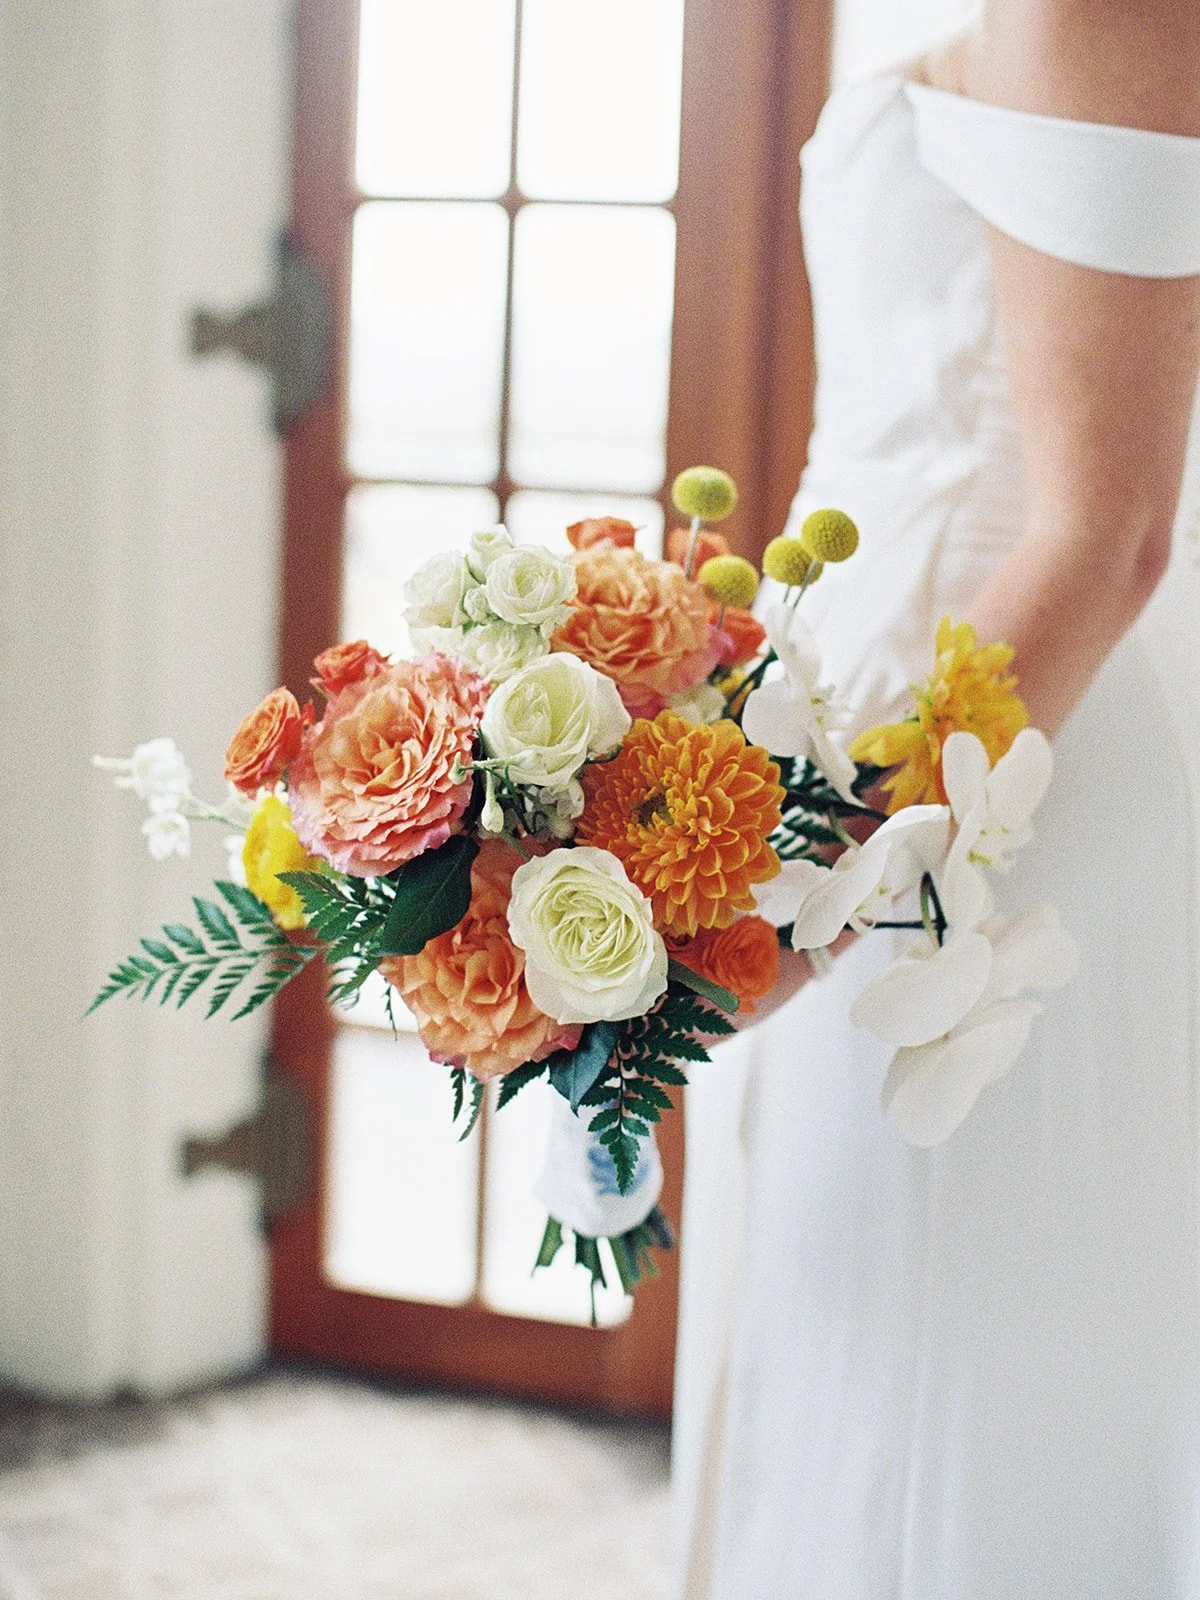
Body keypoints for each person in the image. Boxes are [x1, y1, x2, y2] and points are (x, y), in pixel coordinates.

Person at [672, 6, 1200, 1596]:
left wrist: (820, 893)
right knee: (839, 1355)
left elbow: (1106, 535)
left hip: (984, 787)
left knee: (945, 1380)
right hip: (852, 743)